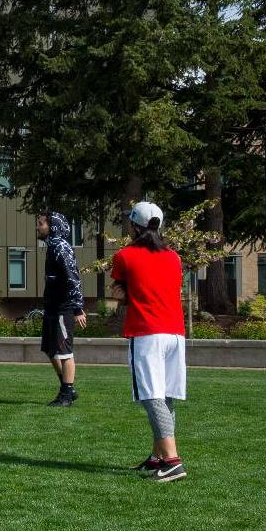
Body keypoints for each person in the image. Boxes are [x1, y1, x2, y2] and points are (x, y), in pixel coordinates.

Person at [111, 201, 188, 483]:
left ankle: (172, 461)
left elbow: (119, 293)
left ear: (134, 226)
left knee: (151, 395)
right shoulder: (174, 256)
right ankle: (158, 458)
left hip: (147, 331)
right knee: (166, 395)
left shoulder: (124, 255)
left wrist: (128, 293)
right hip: (176, 333)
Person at [38, 211, 87, 406]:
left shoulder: (60, 247)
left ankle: (66, 395)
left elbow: (72, 277)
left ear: (52, 226)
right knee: (50, 349)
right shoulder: (52, 246)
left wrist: (77, 308)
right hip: (52, 307)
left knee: (64, 351)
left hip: (63, 308)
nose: (38, 226)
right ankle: (68, 387)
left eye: (41, 223)